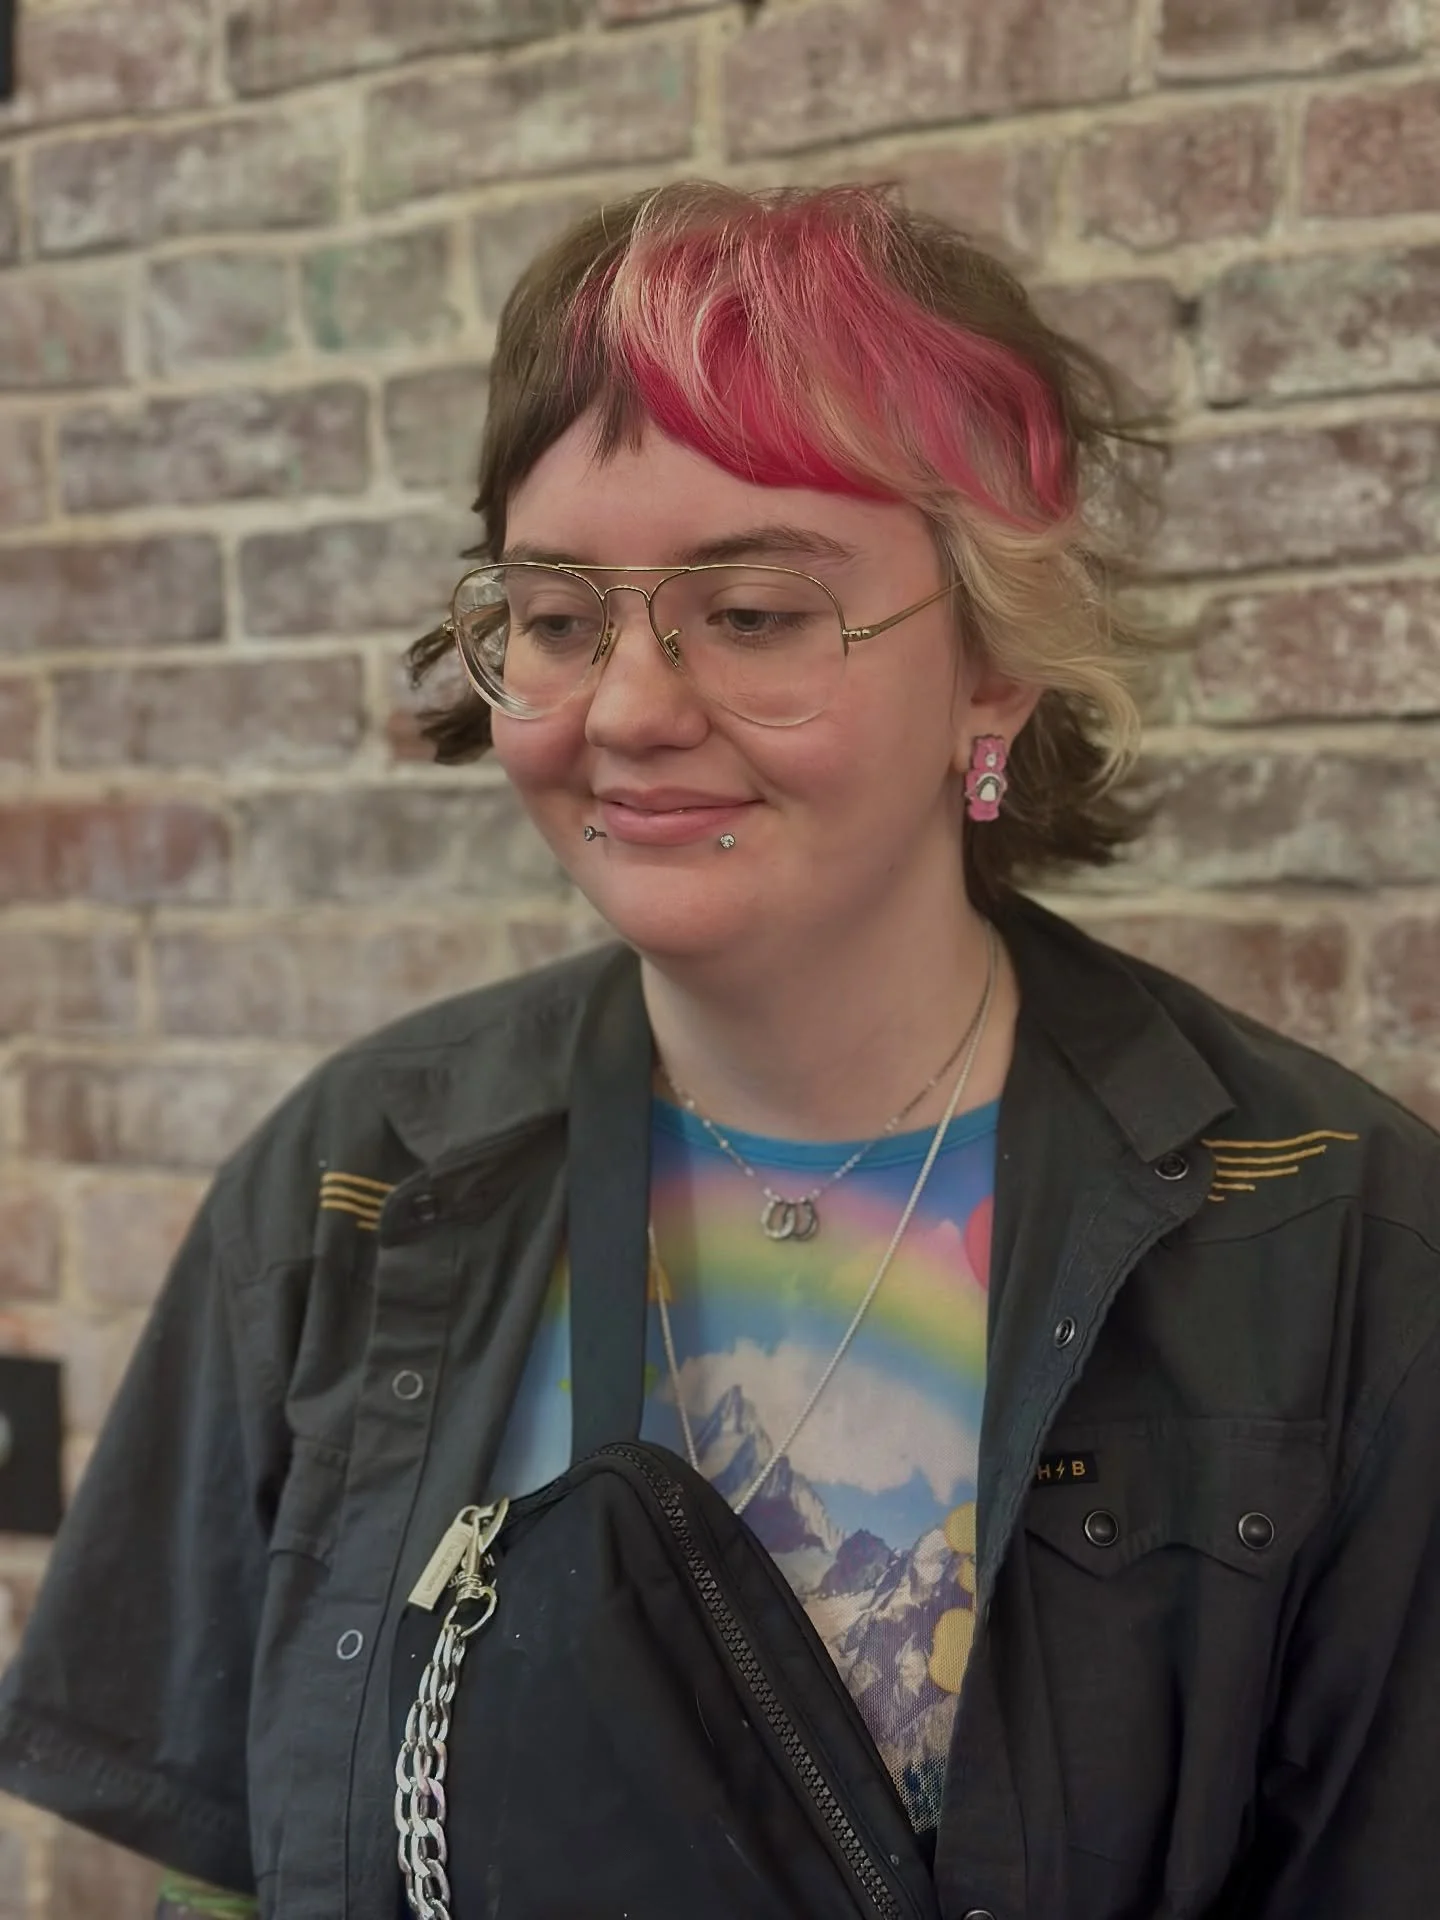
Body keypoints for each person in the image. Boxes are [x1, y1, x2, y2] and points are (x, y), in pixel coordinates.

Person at [1, 180, 1437, 1920]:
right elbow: (200, 1868)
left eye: (752, 613)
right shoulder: (350, 1189)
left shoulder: (1333, 1251)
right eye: (556, 615)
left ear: (993, 672)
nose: (627, 708)